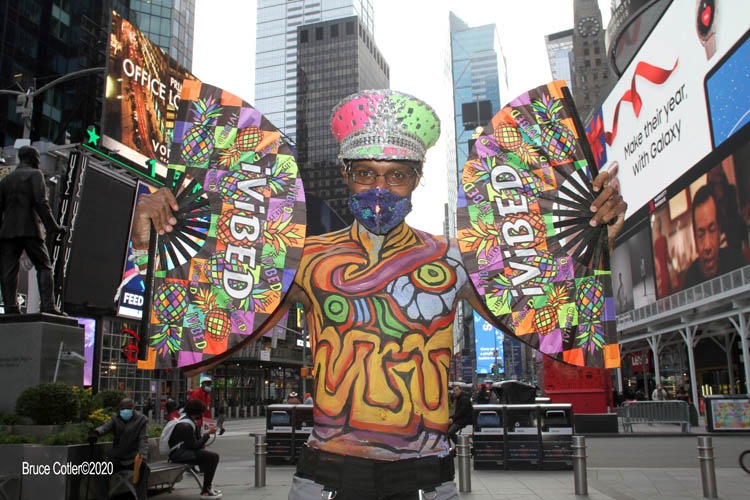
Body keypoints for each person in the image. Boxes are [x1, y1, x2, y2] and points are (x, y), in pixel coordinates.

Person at [133, 89, 627, 499]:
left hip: (425, 475)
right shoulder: (303, 258)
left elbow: (549, 319)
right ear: (346, 173)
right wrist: (146, 247)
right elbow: (202, 342)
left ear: (417, 180)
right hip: (326, 471)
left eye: (396, 175)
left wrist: (595, 241)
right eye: (366, 173)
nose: (379, 189)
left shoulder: (456, 259)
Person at [0, 146, 66, 314]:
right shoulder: (35, 175)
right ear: (30, 157)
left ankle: (10, 307)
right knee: (44, 266)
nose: (38, 161)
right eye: (37, 158)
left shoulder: (6, 181)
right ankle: (48, 305)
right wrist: (53, 227)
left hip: (8, 232)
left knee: (9, 270)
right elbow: (41, 203)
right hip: (29, 229)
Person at [683, 185, 746, 288]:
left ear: (719, 231)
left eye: (712, 230)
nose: (707, 246)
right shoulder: (689, 282)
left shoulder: (737, 262)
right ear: (694, 239)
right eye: (701, 235)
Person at [89, 397, 150, 500]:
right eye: (123, 408)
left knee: (144, 471)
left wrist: (142, 455)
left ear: (133, 408)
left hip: (134, 459)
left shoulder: (141, 420)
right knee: (101, 472)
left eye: (129, 408)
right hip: (116, 458)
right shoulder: (115, 418)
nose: (126, 411)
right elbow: (105, 427)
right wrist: (96, 432)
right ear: (120, 409)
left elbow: (143, 439)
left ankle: (141, 498)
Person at [168, 399, 221, 499]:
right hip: (180, 455)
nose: (202, 414)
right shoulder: (186, 425)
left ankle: (207, 487)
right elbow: (194, 445)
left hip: (181, 452)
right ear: (197, 412)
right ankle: (206, 489)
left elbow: (195, 444)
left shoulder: (189, 421)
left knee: (210, 457)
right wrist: (207, 434)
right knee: (213, 457)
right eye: (201, 412)